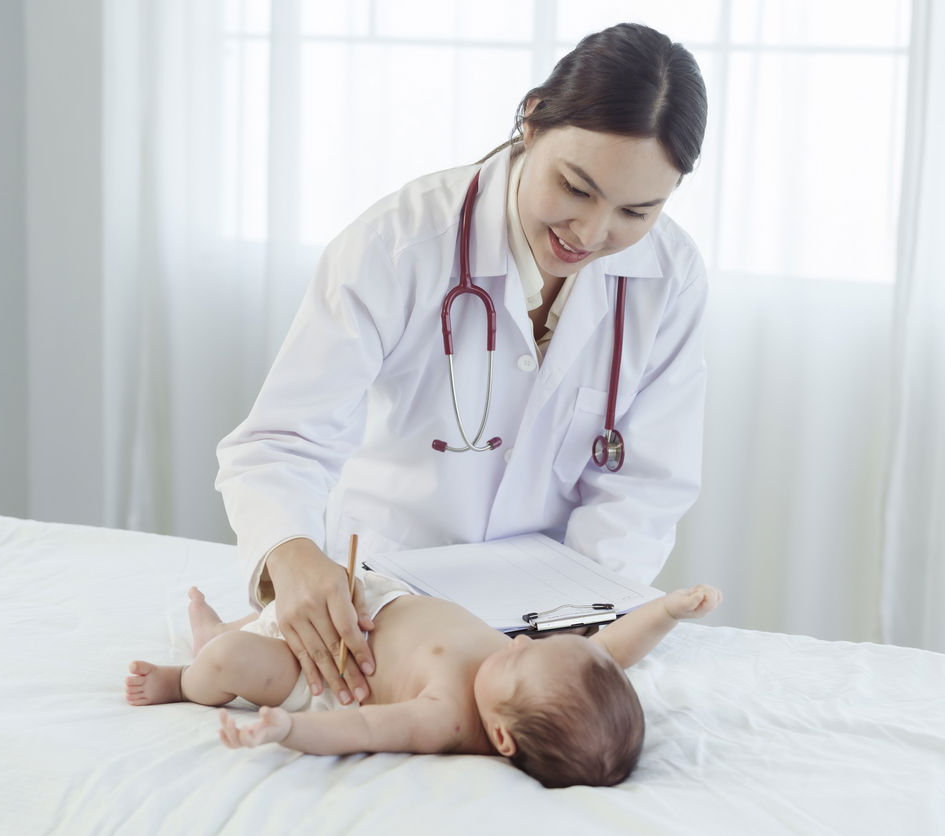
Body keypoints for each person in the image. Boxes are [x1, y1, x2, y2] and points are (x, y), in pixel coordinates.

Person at [213, 23, 710, 711]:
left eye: (637, 210)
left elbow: (647, 485)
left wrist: (581, 620)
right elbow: (282, 439)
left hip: (556, 615)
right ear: (531, 122)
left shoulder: (669, 277)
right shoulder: (400, 244)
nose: (593, 234)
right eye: (575, 187)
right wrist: (293, 556)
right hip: (391, 598)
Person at [125, 577, 723, 788]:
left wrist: (289, 727)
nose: (516, 644)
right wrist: (664, 612)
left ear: (501, 738)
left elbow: (361, 724)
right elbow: (606, 652)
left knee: (234, 657)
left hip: (326, 671)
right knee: (286, 605)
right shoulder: (538, 678)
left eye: (515, 660)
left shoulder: (445, 719)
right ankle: (223, 625)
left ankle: (188, 676)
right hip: (376, 605)